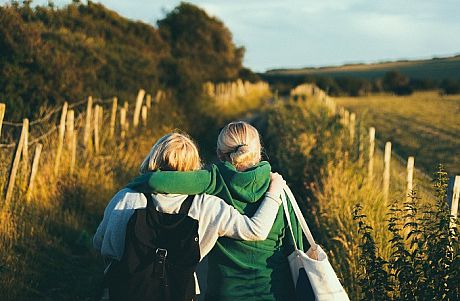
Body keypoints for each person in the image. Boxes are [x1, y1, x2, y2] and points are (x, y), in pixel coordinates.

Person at [93, 132, 286, 301]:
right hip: (180, 291)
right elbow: (256, 230)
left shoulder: (127, 197)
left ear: (153, 158)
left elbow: (101, 242)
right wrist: (274, 191)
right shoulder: (207, 205)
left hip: (128, 291)